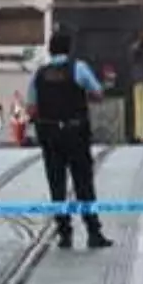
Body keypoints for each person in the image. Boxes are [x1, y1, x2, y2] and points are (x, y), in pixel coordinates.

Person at [26, 33, 113, 250]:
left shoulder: (39, 74)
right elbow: (97, 93)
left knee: (57, 185)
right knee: (83, 182)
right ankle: (93, 232)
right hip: (76, 134)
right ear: (69, 49)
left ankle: (64, 233)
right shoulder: (79, 68)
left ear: (50, 50)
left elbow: (31, 107)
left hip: (50, 136)